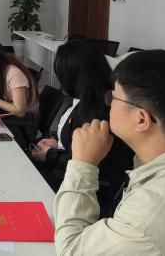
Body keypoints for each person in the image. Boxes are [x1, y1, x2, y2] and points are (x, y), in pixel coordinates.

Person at [54, 50, 165, 255]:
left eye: (113, 97)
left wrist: (82, 164)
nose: (108, 103)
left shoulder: (144, 220)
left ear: (141, 119)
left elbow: (71, 249)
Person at [30, 41, 134, 213]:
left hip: (85, 190)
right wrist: (57, 142)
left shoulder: (98, 113)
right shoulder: (87, 100)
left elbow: (88, 163)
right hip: (70, 172)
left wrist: (50, 154)